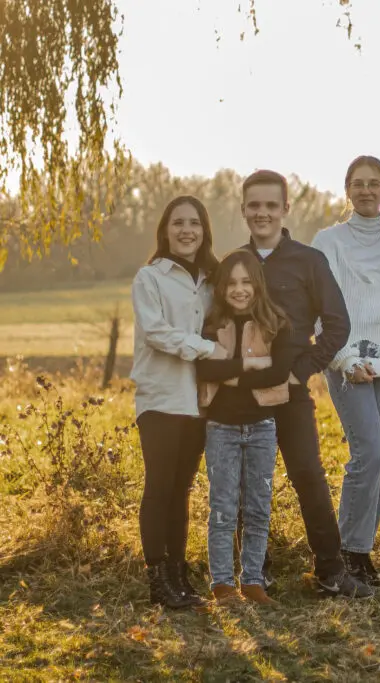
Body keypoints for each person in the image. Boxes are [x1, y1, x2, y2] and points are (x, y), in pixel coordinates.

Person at [239, 169, 371, 598]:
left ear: (285, 209)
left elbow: (337, 324)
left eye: (270, 205)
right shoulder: (232, 264)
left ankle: (330, 572)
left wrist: (301, 371)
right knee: (249, 480)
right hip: (242, 392)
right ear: (244, 209)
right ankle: (255, 570)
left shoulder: (309, 261)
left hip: (292, 391)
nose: (262, 213)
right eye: (254, 205)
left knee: (308, 476)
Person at [311, 155, 380, 587]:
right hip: (344, 361)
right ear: (347, 189)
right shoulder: (328, 242)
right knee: (369, 451)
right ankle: (350, 555)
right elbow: (320, 307)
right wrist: (346, 360)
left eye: (375, 183)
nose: (367, 190)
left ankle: (360, 548)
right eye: (358, 183)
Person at [130, 195, 222, 608]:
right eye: (178, 223)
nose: (187, 230)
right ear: (165, 231)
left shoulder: (212, 279)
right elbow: (156, 332)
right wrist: (205, 349)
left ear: (204, 231)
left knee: (182, 489)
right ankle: (158, 580)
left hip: (199, 401)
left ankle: (180, 577)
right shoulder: (149, 278)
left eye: (195, 223)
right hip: (162, 395)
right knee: (160, 486)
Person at [195, 250, 293, 606]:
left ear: (257, 285)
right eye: (232, 282)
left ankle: (252, 581)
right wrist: (250, 367)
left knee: (258, 507)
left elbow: (279, 372)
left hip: (262, 427)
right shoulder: (210, 326)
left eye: (246, 282)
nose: (239, 289)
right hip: (221, 428)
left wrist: (231, 372)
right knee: (222, 506)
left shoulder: (275, 323)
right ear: (222, 287)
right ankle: (222, 584)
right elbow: (205, 370)